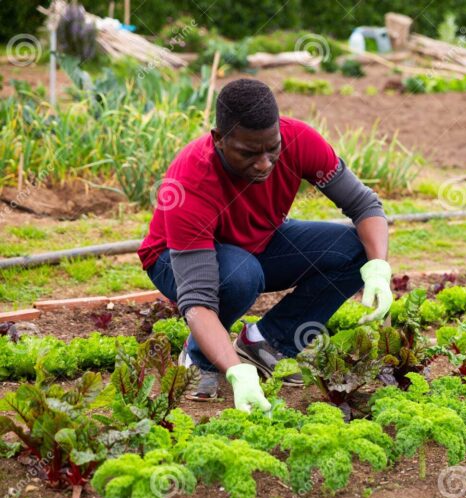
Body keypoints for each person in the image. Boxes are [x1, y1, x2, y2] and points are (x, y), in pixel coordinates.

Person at [137, 79, 392, 414]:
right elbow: (197, 299)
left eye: (272, 149)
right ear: (218, 140)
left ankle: (265, 343)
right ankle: (200, 359)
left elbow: (365, 206)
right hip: (173, 258)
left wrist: (378, 269)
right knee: (239, 276)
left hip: (258, 243)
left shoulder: (300, 140)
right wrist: (235, 372)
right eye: (248, 152)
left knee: (358, 249)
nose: (264, 164)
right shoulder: (190, 182)